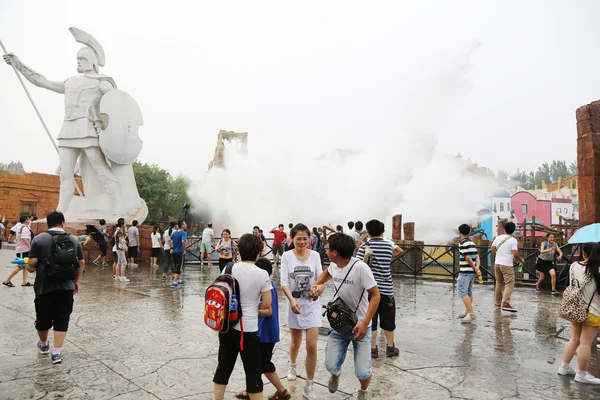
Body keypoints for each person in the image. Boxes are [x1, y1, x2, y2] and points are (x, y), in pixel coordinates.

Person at [310, 233, 380, 400]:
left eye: (327, 248)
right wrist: (317, 286)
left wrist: (365, 323)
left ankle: (363, 391)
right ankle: (336, 373)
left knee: (363, 371)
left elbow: (376, 295)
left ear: (335, 252)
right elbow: (326, 275)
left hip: (360, 326)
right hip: (340, 324)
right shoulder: (334, 265)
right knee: (330, 364)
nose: (325, 251)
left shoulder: (361, 268)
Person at [213, 234, 273, 400]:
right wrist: (253, 305)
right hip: (248, 330)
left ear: (239, 250)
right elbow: (267, 304)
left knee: (223, 367)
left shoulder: (229, 268)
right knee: (253, 372)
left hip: (227, 327)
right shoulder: (262, 274)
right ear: (258, 252)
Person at [26, 211, 85, 364]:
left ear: (48, 223)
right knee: (62, 318)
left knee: (43, 317)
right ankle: (57, 353)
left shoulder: (39, 239)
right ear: (63, 223)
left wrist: (29, 267)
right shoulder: (74, 240)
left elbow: (32, 263)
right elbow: (82, 262)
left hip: (44, 286)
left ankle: (44, 345)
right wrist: (76, 281)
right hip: (66, 286)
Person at [235, 257, 291, 400]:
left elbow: (268, 311)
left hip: (264, 333)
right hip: (267, 332)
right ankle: (252, 390)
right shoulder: (269, 284)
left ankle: (282, 391)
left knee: (263, 363)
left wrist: (249, 309)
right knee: (257, 363)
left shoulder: (266, 287)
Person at [280, 223, 323, 399]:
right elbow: (284, 282)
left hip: (312, 305)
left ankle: (309, 384)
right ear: (292, 239)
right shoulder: (286, 256)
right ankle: (292, 365)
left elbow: (321, 279)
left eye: (305, 238)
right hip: (295, 305)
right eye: (299, 238)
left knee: (311, 344)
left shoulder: (315, 256)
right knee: (295, 343)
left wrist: (318, 290)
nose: (302, 241)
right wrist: (291, 300)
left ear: (310, 240)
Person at [356, 219, 403, 357]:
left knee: (371, 318)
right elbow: (399, 250)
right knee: (388, 318)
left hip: (370, 290)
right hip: (387, 289)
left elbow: (358, 265)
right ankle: (390, 347)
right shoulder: (389, 244)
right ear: (383, 231)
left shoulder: (365, 246)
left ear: (368, 232)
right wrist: (389, 257)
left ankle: (373, 348)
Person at [558, 242, 600, 385]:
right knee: (586, 343)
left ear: (584, 253)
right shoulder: (597, 270)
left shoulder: (574, 266)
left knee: (575, 339)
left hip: (576, 309)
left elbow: (572, 285)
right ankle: (582, 374)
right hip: (593, 311)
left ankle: (564, 367)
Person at [491, 222, 524, 312]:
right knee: (509, 283)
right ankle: (505, 303)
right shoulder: (513, 240)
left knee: (499, 283)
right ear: (513, 231)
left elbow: (492, 248)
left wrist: (498, 254)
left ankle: (497, 303)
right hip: (507, 265)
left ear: (504, 229)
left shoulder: (498, 238)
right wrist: (520, 259)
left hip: (497, 263)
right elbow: (515, 253)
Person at [457, 224, 482, 323]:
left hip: (465, 272)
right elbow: (477, 256)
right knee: (469, 292)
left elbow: (467, 257)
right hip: (472, 272)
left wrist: (473, 267)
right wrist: (476, 268)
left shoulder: (462, 243)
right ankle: (468, 311)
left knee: (463, 292)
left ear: (460, 232)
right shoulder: (471, 242)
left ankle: (471, 313)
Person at [3, 215, 32, 287]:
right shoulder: (24, 228)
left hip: (22, 249)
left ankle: (24, 281)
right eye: (28, 219)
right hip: (23, 249)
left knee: (25, 265)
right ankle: (7, 280)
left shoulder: (20, 226)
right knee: (21, 266)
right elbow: (24, 238)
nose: (29, 220)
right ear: (26, 220)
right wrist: (30, 247)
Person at [169, 221, 187, 288]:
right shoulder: (183, 233)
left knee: (177, 265)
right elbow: (183, 241)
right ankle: (174, 282)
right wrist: (184, 249)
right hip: (180, 252)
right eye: (185, 224)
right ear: (182, 225)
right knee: (178, 267)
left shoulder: (175, 232)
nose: (186, 225)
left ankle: (179, 280)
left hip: (174, 252)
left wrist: (171, 248)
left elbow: (169, 240)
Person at [114, 218, 129, 282]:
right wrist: (125, 246)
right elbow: (120, 240)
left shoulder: (118, 230)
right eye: (125, 223)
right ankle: (122, 277)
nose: (126, 224)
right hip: (120, 248)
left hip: (118, 248)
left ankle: (117, 277)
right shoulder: (119, 231)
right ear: (122, 225)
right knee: (124, 262)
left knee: (119, 262)